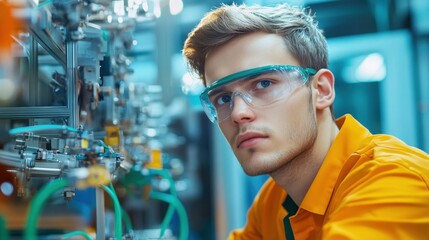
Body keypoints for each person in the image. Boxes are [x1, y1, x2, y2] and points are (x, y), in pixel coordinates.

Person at [182, 3, 429, 240]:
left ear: (321, 90)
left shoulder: (393, 181)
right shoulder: (274, 200)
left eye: (264, 84)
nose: (238, 113)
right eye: (223, 98)